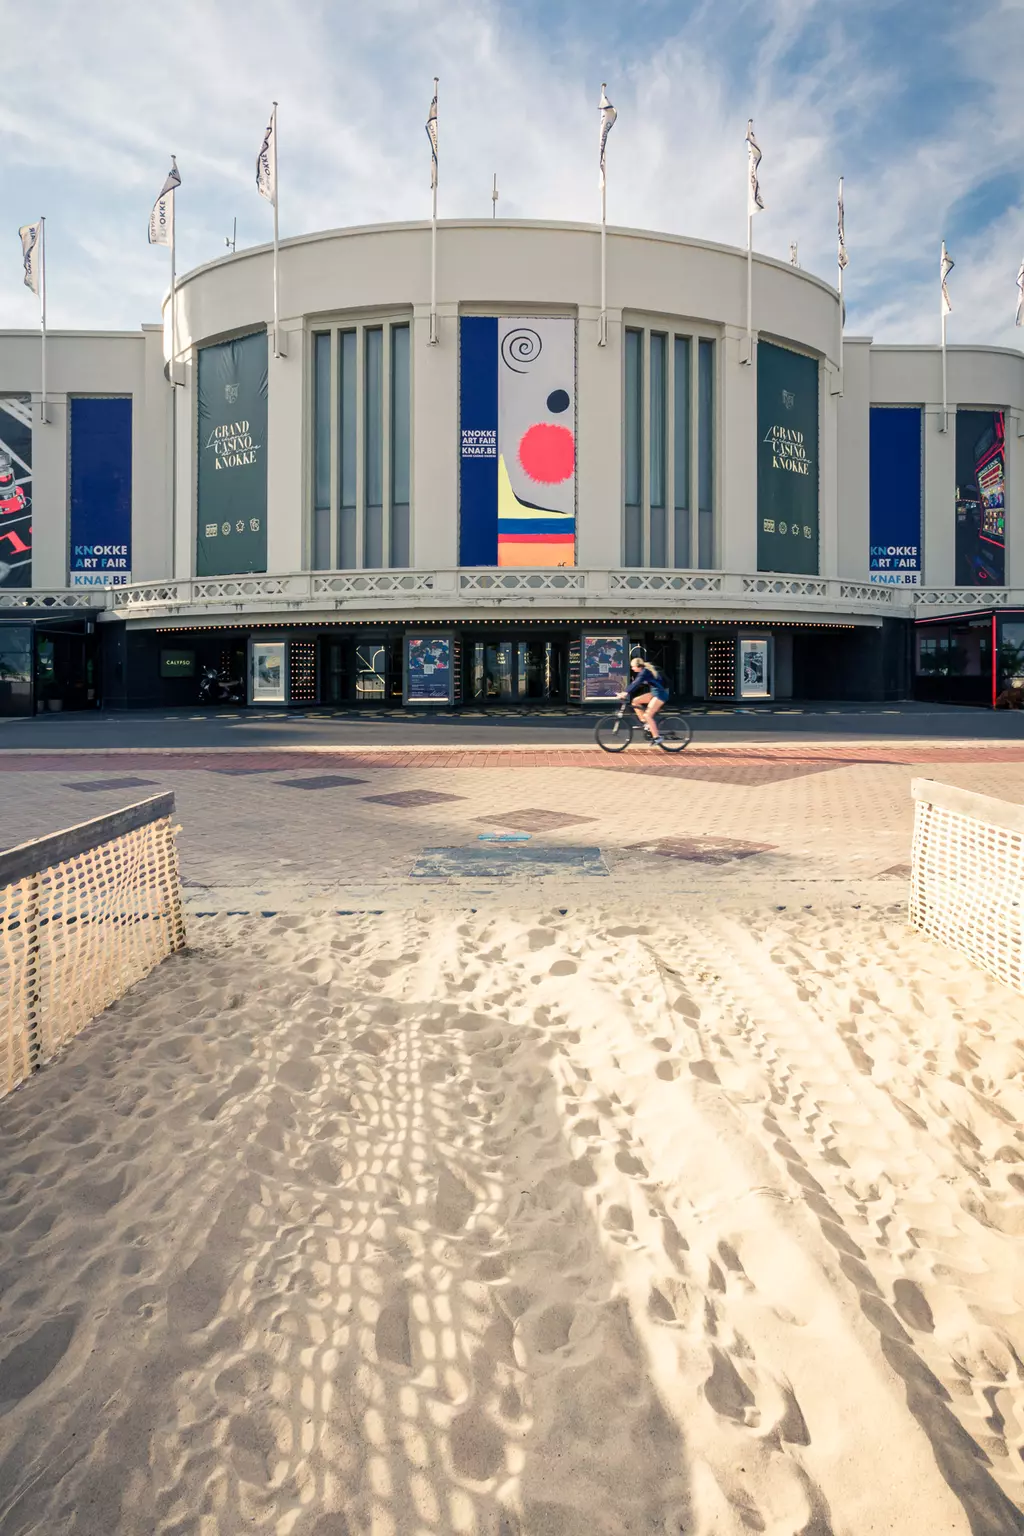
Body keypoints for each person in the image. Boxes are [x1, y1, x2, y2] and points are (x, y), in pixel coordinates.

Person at [618, 656, 670, 743]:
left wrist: (625, 693)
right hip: (654, 693)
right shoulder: (643, 671)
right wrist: (625, 692)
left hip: (660, 695)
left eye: (633, 666)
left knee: (648, 715)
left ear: (638, 666)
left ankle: (657, 737)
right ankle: (646, 723)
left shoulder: (644, 672)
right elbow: (635, 683)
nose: (632, 668)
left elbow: (636, 683)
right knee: (635, 701)